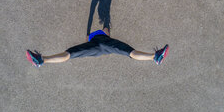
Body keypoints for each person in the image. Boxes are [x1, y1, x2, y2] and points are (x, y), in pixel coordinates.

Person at [26, 27, 169, 67]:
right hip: (105, 46)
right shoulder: (104, 36)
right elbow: (106, 29)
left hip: (96, 47)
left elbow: (105, 29)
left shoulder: (93, 37)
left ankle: (42, 60)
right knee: (131, 52)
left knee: (69, 54)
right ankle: (154, 57)